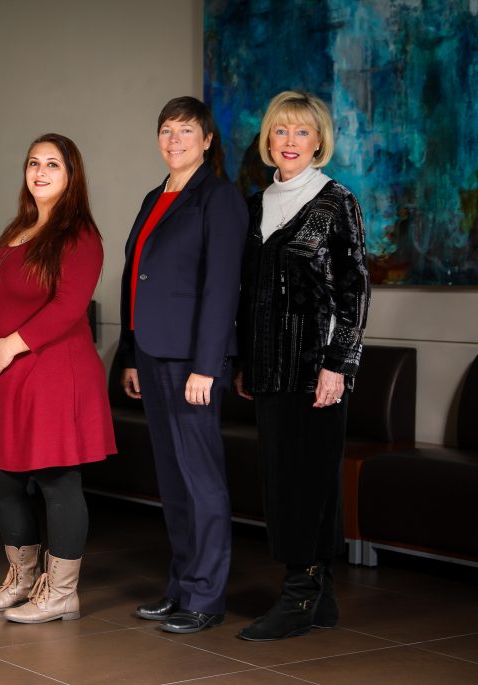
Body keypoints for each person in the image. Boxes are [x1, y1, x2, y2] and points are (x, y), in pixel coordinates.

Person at [234, 90, 370, 641]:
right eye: (280, 132)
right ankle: (322, 594)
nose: (289, 142)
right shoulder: (255, 204)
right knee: (279, 479)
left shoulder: (337, 202)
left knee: (310, 481)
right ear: (269, 140)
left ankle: (299, 591)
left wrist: (338, 366)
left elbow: (355, 293)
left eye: (302, 133)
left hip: (319, 368)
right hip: (268, 368)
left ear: (319, 142)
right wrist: (246, 361)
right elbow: (250, 292)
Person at [0, 133, 116, 624]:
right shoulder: (21, 228)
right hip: (12, 370)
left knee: (56, 479)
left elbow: (67, 307)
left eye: (52, 164)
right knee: (0, 476)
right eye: (33, 163)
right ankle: (22, 578)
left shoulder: (80, 236)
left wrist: (10, 345)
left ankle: (61, 592)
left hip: (57, 369)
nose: (39, 172)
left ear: (71, 175)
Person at [119, 96, 248, 634]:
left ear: (208, 140)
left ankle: (206, 596)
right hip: (151, 354)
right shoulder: (155, 196)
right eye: (167, 130)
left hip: (192, 361)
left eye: (186, 131)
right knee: (173, 481)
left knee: (202, 479)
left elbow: (222, 288)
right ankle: (180, 586)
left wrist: (207, 365)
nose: (175, 140)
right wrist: (129, 353)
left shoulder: (218, 199)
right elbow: (136, 277)